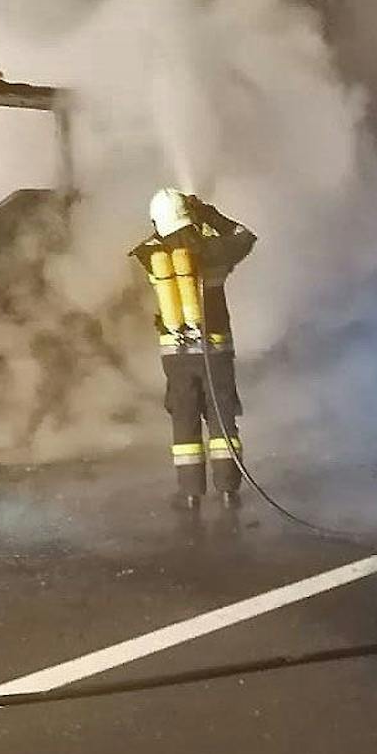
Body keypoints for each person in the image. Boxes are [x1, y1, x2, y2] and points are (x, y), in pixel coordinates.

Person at [130, 188, 257, 513]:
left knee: (184, 421)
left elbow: (156, 236)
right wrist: (207, 213)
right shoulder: (215, 250)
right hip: (214, 351)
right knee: (221, 419)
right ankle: (228, 489)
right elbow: (245, 236)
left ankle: (190, 493)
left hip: (175, 357)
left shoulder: (150, 255)